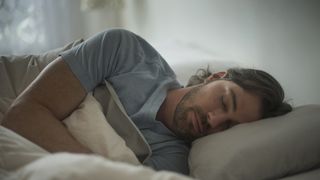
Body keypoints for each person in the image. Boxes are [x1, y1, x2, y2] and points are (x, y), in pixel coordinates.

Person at [1, 29, 292, 175]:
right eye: (224, 102)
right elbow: (23, 114)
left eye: (228, 127)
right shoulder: (127, 52)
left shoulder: (172, 162)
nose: (214, 121)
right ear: (215, 76)